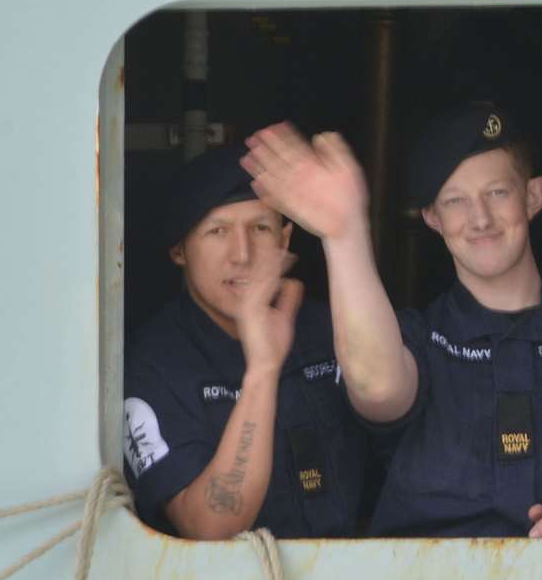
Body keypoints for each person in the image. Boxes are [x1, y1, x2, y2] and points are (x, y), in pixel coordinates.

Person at [243, 102, 542, 538]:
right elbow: (378, 386)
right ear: (432, 217)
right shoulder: (419, 341)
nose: (480, 218)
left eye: (497, 193)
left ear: (534, 196)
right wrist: (343, 232)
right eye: (455, 201)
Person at [121, 146, 376, 540]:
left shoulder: (334, 327)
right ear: (179, 251)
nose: (242, 255)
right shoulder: (151, 362)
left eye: (259, 228)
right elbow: (209, 524)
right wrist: (263, 369)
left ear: (285, 238)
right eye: (217, 231)